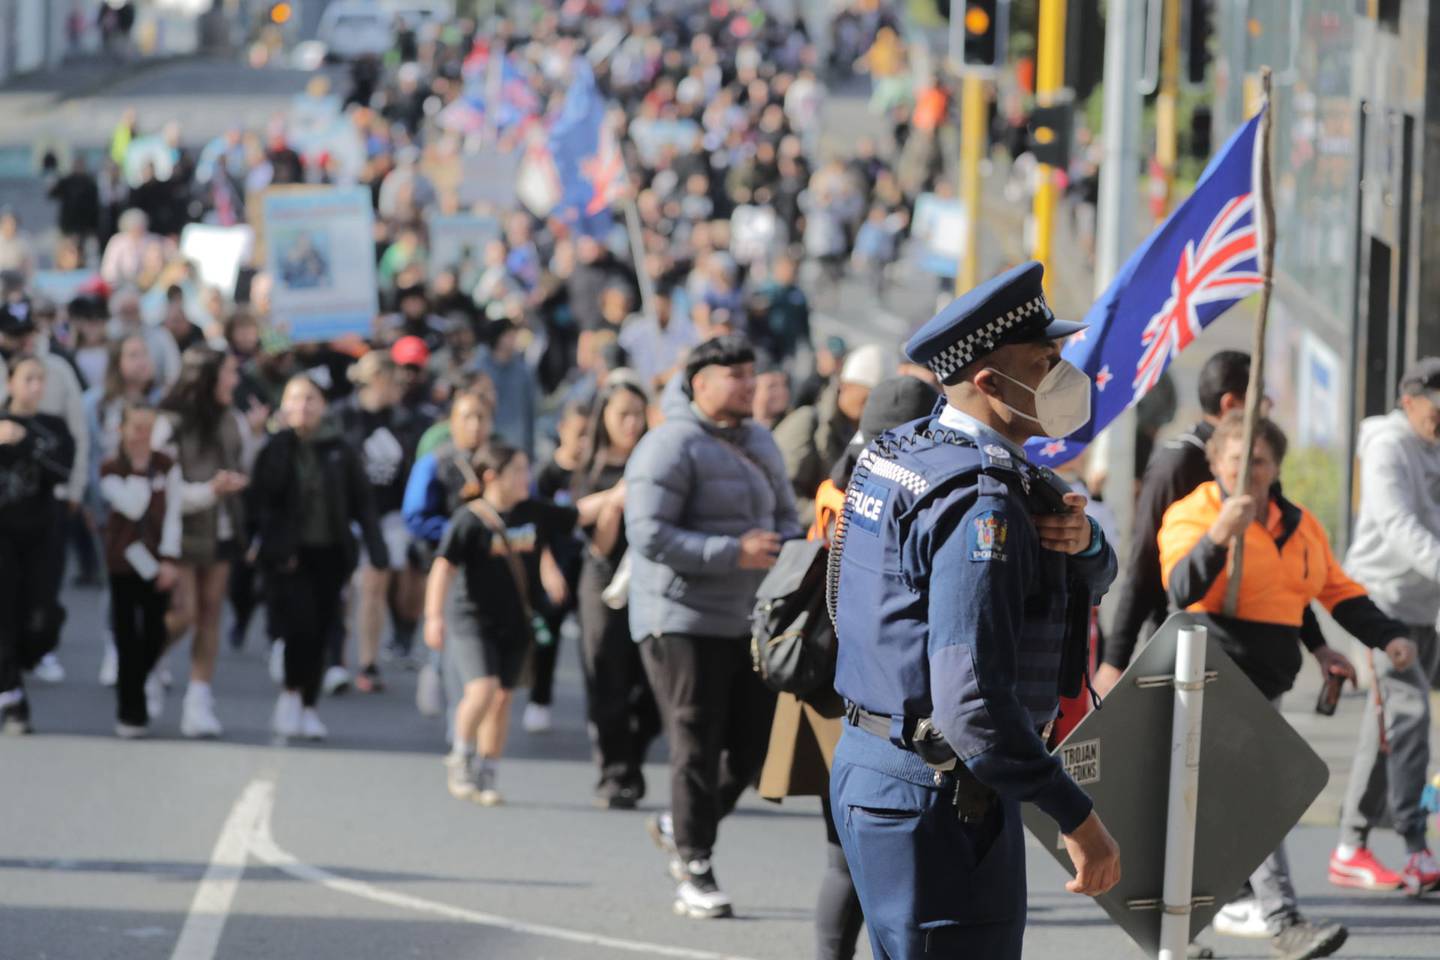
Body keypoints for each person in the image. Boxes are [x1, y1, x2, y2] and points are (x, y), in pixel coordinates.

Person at [829, 262, 1121, 960]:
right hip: (940, 792)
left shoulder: (909, 451)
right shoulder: (981, 501)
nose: (1060, 372)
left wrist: (1082, 543)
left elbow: (849, 593)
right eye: (1044, 361)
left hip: (882, 769)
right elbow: (974, 704)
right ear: (989, 382)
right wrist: (1078, 820)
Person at [1158, 411, 1415, 959]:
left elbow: (1329, 592)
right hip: (1211, 673)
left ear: (1275, 468)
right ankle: (1282, 920)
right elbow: (1181, 587)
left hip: (1268, 682)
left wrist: (1377, 638)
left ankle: (1175, 934)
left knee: (1216, 807)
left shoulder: (1299, 526)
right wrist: (1222, 533)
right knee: (1258, 795)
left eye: (1259, 462)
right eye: (1236, 461)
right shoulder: (1194, 514)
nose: (1247, 472)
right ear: (1215, 463)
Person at [625, 334, 802, 919]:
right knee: (695, 740)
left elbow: (784, 515)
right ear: (700, 384)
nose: (749, 385)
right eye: (736, 376)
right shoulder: (668, 444)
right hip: (678, 617)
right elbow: (647, 533)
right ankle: (695, 865)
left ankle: (680, 824)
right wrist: (732, 552)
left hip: (747, 616)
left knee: (754, 747)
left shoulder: (759, 441)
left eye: (752, 374)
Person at [759, 375, 937, 960]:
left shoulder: (843, 482)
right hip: (860, 690)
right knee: (870, 860)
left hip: (824, 680)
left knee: (843, 855)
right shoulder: (897, 491)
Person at [1328, 358, 1440, 896]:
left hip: (1422, 606)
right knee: (1411, 715)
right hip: (1378, 606)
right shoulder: (1387, 444)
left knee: (1387, 728)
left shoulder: (1432, 443)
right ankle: (1416, 848)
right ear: (1410, 400)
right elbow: (1398, 525)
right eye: (1437, 411)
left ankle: (1351, 846)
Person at [1095, 350, 1254, 696]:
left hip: (1249, 657)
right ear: (1231, 405)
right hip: (1185, 651)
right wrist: (1114, 662)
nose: (1267, 406)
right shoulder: (1179, 463)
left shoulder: (1257, 465)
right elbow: (1144, 562)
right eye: (1260, 397)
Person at [253, 374, 388, 742]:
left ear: (323, 405)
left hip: (329, 552)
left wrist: (377, 550)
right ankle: (291, 695)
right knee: (296, 626)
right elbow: (263, 501)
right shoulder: (275, 448)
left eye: (311, 399)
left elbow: (362, 502)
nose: (303, 406)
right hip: (287, 557)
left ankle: (309, 705)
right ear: (283, 406)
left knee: (322, 629)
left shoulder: (340, 450)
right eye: (295, 398)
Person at [423, 442, 535, 805]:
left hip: (514, 619)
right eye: (517, 470)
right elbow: (443, 567)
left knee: (502, 699)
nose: (525, 478)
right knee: (482, 689)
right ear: (492, 477)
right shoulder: (469, 519)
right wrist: (434, 616)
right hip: (470, 618)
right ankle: (460, 755)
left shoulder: (529, 513)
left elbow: (572, 519)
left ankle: (488, 772)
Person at [573, 376, 660, 808]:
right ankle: (616, 774)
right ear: (603, 418)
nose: (630, 422)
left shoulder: (654, 460)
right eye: (621, 414)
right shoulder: (589, 469)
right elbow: (597, 542)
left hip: (651, 578)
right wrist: (614, 501)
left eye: (636, 413)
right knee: (605, 676)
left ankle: (631, 756)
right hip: (604, 580)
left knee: (652, 686)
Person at [155, 347, 250, 739]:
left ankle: (198, 699)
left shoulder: (233, 419)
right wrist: (210, 491)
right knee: (184, 614)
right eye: (229, 373)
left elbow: (245, 463)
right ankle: (145, 660)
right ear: (208, 377)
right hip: (183, 531)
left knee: (211, 613)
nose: (235, 380)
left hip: (223, 529)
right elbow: (164, 488)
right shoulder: (172, 422)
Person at [335, 351, 422, 693]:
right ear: (374, 381)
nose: (398, 389)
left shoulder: (404, 420)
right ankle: (335, 660)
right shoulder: (342, 416)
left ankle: (368, 662)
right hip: (346, 515)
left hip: (386, 516)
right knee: (343, 591)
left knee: (374, 586)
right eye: (392, 382)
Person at [0, 356, 75, 733]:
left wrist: (27, 441)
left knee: (41, 619)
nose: (35, 386)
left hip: (42, 535)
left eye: (40, 380)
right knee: (3, 618)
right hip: (2, 538)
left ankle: (20, 668)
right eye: (28, 378)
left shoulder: (52, 427)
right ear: (10, 381)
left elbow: (62, 470)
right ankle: (13, 697)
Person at [99, 403, 182, 738]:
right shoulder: (111, 468)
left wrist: (170, 558)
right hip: (123, 562)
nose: (143, 436)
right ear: (122, 430)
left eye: (149, 428)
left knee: (155, 631)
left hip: (156, 560)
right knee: (125, 633)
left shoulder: (167, 464)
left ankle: (138, 681)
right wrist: (139, 471)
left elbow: (173, 510)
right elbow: (132, 505)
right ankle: (130, 709)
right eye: (137, 428)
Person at [773, 342, 888, 526]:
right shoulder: (807, 422)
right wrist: (833, 515)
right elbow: (780, 494)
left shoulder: (875, 439)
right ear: (844, 386)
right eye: (867, 397)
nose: (872, 406)